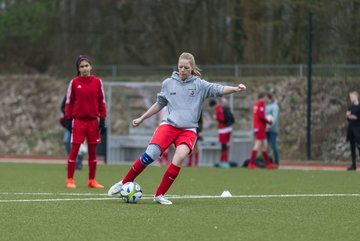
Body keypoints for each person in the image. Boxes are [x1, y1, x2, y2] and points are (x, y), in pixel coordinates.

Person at [108, 52, 246, 204]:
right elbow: (159, 104)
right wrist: (142, 118)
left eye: (186, 67)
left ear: (192, 68)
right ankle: (124, 182)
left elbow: (218, 89)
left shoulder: (200, 85)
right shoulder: (168, 83)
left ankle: (159, 195)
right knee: (151, 154)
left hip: (188, 130)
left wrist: (235, 88)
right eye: (180, 66)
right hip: (169, 126)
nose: (182, 70)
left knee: (179, 157)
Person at [64, 55, 107, 188]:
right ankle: (70, 180)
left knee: (92, 152)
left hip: (93, 122)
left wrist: (103, 119)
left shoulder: (98, 82)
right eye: (81, 66)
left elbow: (102, 102)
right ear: (78, 69)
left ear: (91, 67)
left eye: (86, 66)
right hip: (78, 121)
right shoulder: (74, 83)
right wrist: (68, 119)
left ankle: (91, 180)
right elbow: (69, 102)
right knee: (75, 150)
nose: (84, 68)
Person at [248, 93, 277, 169]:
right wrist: (268, 121)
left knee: (265, 145)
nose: (267, 100)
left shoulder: (256, 104)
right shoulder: (260, 104)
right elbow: (261, 117)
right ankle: (251, 164)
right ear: (263, 97)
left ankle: (268, 164)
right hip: (260, 128)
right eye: (267, 98)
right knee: (257, 145)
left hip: (260, 127)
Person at [60, 96, 84, 170]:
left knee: (79, 144)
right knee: (66, 141)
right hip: (69, 124)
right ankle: (72, 160)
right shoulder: (68, 95)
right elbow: (62, 107)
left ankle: (78, 161)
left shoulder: (83, 94)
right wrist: (67, 114)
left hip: (80, 123)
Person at [209, 98, 233, 168]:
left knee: (223, 145)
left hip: (223, 129)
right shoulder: (222, 107)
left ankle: (223, 161)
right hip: (228, 128)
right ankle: (225, 161)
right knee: (226, 145)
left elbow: (221, 119)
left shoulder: (218, 109)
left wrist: (216, 118)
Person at [346, 90, 360, 171]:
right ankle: (353, 165)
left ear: (356, 96)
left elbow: (357, 118)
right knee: (352, 148)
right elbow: (349, 119)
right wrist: (348, 116)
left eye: (352, 96)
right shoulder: (350, 107)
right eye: (350, 96)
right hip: (351, 130)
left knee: (359, 147)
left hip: (357, 130)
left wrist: (355, 117)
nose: (351, 98)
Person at [265, 93, 280, 165]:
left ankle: (276, 161)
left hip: (273, 130)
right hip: (266, 129)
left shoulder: (275, 107)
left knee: (273, 145)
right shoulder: (266, 105)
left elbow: (274, 118)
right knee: (266, 146)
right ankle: (268, 161)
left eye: (267, 98)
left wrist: (268, 127)